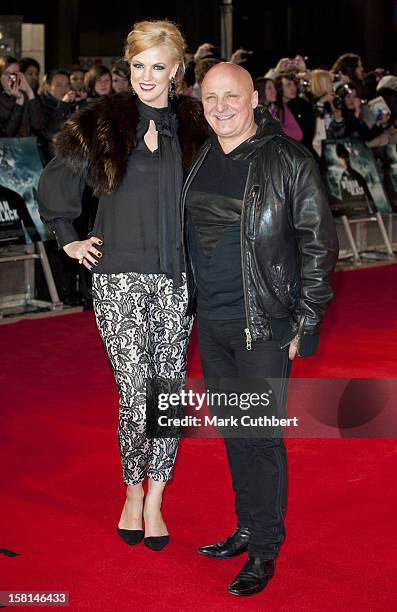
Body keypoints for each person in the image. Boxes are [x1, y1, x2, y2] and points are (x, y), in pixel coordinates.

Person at [37, 20, 207, 551]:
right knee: (135, 395)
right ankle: (132, 490)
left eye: (158, 66)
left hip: (178, 280)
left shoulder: (197, 128)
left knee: (168, 396)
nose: (147, 77)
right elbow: (56, 178)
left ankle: (156, 499)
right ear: (127, 67)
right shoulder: (104, 123)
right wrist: (67, 235)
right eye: (138, 66)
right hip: (119, 280)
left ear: (176, 69)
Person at [182, 63, 338, 596]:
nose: (220, 106)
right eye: (210, 97)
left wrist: (306, 321)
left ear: (255, 99)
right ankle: (247, 524)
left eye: (231, 96)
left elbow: (320, 245)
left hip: (263, 324)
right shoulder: (199, 157)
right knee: (233, 431)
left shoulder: (288, 160)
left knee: (261, 436)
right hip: (213, 321)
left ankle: (266, 547)